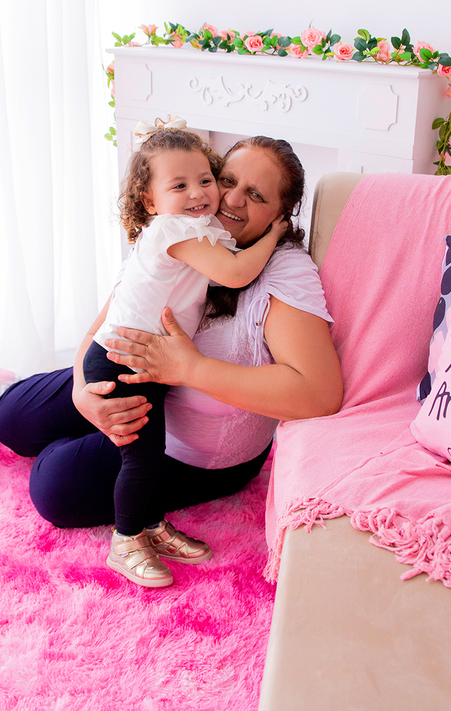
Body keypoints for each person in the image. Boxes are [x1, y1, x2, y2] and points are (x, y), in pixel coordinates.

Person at [0, 134, 342, 586]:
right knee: (11, 415)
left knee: (53, 486)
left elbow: (319, 394)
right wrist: (84, 396)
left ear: (282, 213)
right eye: (227, 180)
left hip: (189, 448)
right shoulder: (184, 229)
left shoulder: (282, 270)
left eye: (256, 195)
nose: (231, 199)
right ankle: (94, 426)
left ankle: (133, 522)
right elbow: (103, 324)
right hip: (126, 370)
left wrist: (190, 369)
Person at [80, 122, 288, 587]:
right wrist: (274, 234)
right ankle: (125, 540)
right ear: (150, 201)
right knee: (141, 460)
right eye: (179, 186)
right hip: (120, 360)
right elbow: (235, 274)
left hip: (147, 359)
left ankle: (151, 524)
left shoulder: (196, 228)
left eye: (205, 180)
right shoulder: (174, 230)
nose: (198, 193)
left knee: (151, 455)